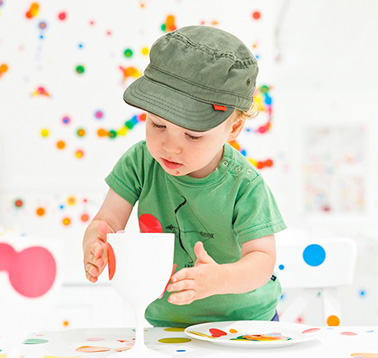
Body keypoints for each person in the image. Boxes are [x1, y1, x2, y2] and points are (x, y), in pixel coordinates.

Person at [82, 25, 286, 327]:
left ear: (233, 128)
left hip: (246, 324)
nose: (170, 147)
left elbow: (262, 260)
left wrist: (220, 279)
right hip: (167, 323)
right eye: (157, 125)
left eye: (192, 135)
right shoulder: (141, 162)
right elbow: (107, 222)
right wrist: (95, 242)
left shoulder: (245, 185)